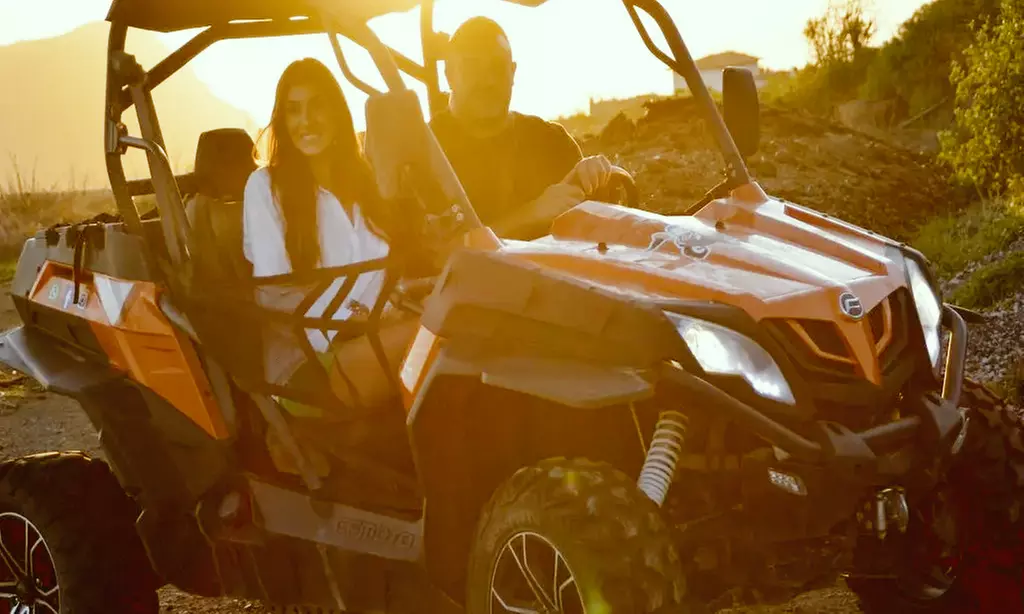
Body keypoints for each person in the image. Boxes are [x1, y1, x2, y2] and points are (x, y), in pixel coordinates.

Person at [242, 58, 416, 478]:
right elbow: (276, 294)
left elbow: (382, 273)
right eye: (294, 109)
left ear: (338, 112)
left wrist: (407, 293)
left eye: (317, 106)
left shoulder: (365, 181)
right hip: (309, 362)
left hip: (376, 334)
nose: (306, 121)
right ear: (281, 119)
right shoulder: (265, 188)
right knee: (437, 334)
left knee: (460, 317)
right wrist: (363, 318)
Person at [429, 16, 618, 240]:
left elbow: (600, 237)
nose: (488, 81)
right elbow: (437, 259)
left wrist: (597, 176)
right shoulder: (424, 152)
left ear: (513, 72)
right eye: (472, 68)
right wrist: (531, 214)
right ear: (449, 74)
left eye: (497, 68)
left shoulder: (552, 141)